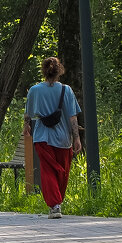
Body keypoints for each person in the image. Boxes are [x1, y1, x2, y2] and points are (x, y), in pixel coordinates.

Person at [24, 56, 81, 218]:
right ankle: (56, 203)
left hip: (42, 138)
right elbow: (72, 117)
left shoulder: (34, 90)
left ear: (43, 71)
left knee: (48, 171)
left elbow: (28, 114)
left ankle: (55, 205)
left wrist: (26, 127)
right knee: (62, 173)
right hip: (63, 139)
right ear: (59, 71)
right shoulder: (66, 90)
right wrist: (76, 138)